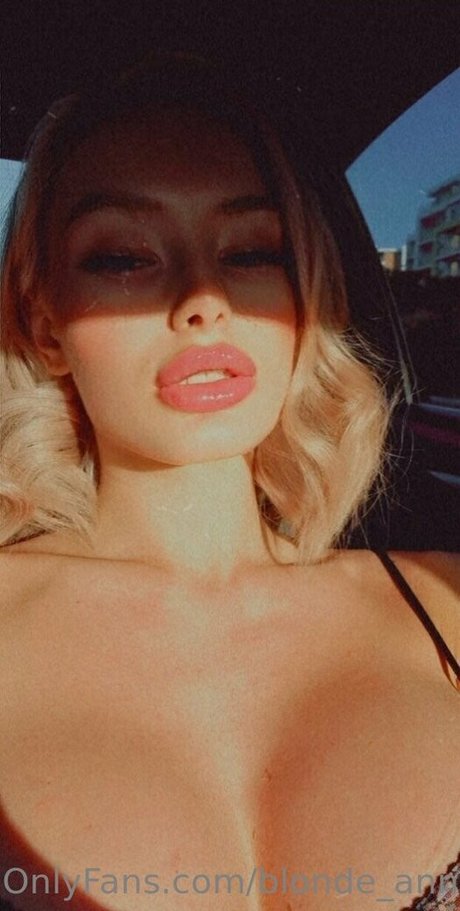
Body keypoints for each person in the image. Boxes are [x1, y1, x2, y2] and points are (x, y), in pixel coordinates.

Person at [0, 54, 458, 911]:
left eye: (251, 250)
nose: (205, 296)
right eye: (123, 257)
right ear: (44, 322)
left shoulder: (447, 609)